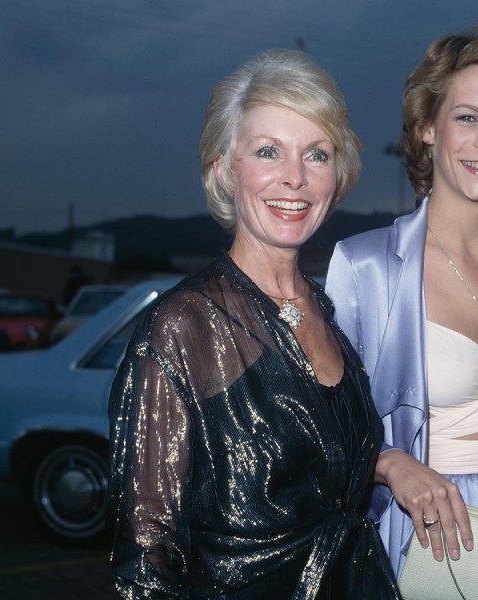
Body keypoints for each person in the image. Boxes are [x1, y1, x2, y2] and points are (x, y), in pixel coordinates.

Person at [108, 49, 399, 599]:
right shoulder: (185, 327)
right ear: (223, 169)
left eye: (317, 154)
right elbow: (146, 556)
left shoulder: (325, 310)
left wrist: (390, 465)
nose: (294, 177)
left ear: (338, 177)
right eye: (269, 151)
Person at [326, 22, 478, 600]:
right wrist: (387, 463)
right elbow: (326, 426)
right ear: (427, 129)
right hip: (436, 529)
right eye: (467, 117)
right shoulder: (367, 266)